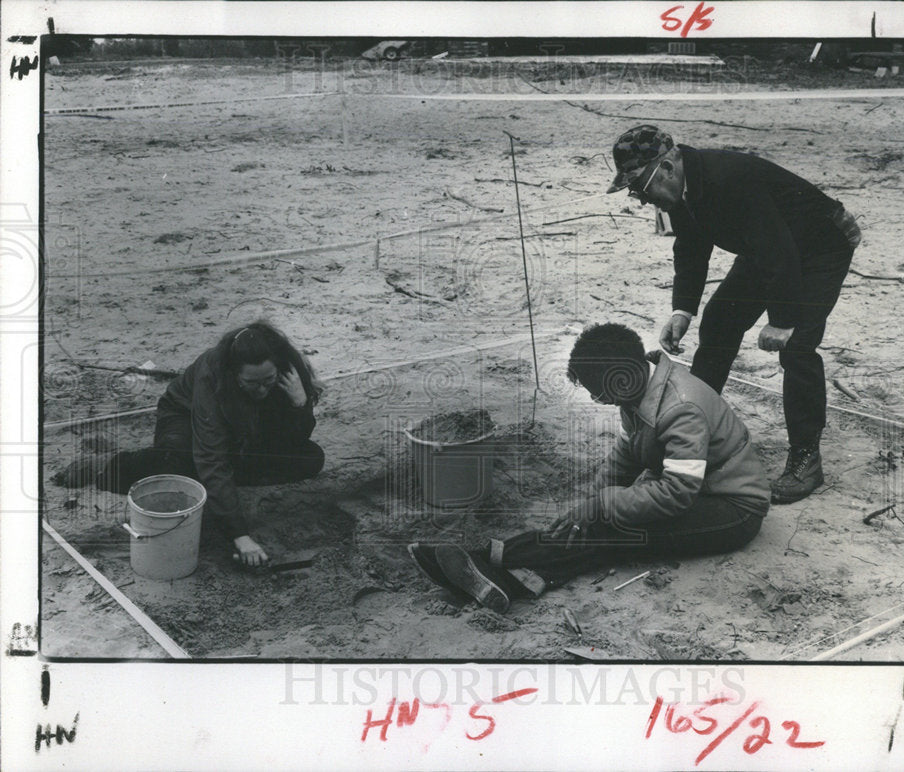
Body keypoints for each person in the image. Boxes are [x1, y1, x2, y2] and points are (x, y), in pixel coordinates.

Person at [408, 323, 770, 613]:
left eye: (601, 394)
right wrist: (590, 501)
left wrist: (600, 506)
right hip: (702, 495)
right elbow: (627, 454)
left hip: (733, 510)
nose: (602, 400)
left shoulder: (680, 407)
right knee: (601, 522)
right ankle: (505, 577)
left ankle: (491, 556)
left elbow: (678, 492)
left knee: (617, 533)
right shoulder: (641, 389)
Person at [606, 125, 862, 503]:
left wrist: (783, 318)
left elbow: (781, 251)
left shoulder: (728, 180)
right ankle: (698, 427)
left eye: (640, 188)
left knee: (797, 348)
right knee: (720, 322)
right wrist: (683, 310)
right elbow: (692, 249)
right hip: (770, 246)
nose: (642, 201)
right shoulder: (683, 190)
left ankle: (806, 458)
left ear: (667, 167)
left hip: (821, 244)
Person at [55, 321, 325, 567]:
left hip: (244, 431)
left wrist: (300, 404)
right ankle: (105, 464)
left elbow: (295, 440)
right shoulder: (212, 375)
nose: (262, 390)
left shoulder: (290, 371)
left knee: (310, 459)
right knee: (176, 461)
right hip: (183, 417)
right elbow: (211, 456)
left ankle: (214, 487)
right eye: (251, 383)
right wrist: (239, 535)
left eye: (269, 381)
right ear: (234, 374)